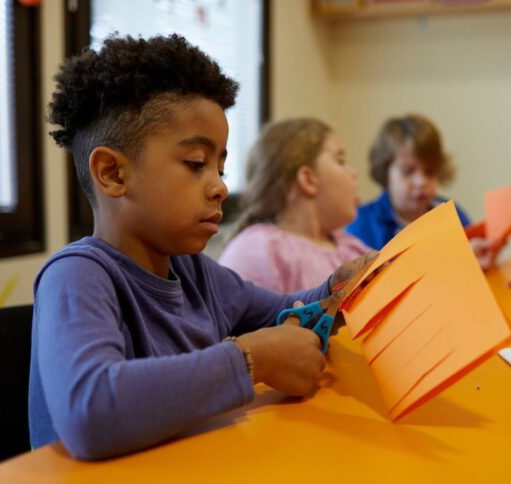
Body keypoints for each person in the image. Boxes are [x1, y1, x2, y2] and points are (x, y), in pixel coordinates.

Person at [30, 34, 367, 460]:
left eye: (221, 167)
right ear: (112, 173)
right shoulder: (78, 276)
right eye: (196, 165)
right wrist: (249, 360)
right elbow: (89, 414)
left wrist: (341, 288)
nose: (220, 187)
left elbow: (287, 311)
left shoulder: (194, 271)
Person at [219, 118, 372, 293]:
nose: (354, 172)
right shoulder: (258, 251)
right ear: (308, 179)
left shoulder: (352, 248)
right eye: (340, 160)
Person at [346, 114, 498, 268]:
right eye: (408, 171)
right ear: (385, 172)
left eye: (430, 172)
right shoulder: (361, 225)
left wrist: (483, 254)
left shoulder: (453, 214)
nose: (421, 182)